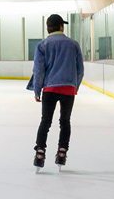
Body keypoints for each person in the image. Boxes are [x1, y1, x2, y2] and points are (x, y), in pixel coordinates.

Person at [31, 14, 84, 171]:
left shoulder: (42, 45)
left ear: (48, 28)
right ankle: (62, 152)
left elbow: (38, 70)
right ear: (61, 26)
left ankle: (40, 153)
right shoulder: (73, 44)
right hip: (68, 88)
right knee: (65, 121)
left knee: (45, 121)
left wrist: (37, 89)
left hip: (50, 88)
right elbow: (80, 70)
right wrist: (75, 86)